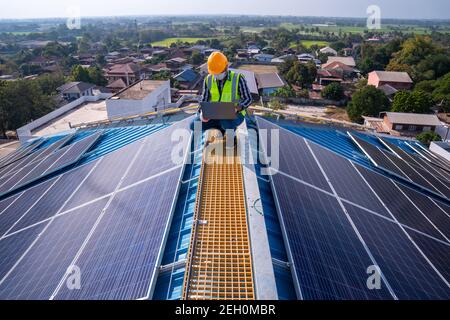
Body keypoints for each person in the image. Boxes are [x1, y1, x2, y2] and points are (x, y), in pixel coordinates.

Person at [193, 51, 253, 136]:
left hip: (234, 113)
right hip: (214, 113)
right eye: (215, 73)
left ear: (226, 66)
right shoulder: (208, 79)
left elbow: (248, 99)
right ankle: (217, 125)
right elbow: (204, 99)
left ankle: (224, 129)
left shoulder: (238, 79)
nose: (217, 75)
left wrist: (237, 108)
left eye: (219, 72)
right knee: (194, 125)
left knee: (226, 124)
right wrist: (202, 111)